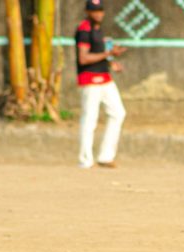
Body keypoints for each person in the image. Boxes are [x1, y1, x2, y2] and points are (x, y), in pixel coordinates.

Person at [75, 0, 127, 169]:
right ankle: (85, 160)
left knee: (118, 113)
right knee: (90, 119)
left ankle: (106, 156)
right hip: (89, 80)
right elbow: (83, 58)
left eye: (100, 10)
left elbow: (102, 54)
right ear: (87, 12)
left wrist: (112, 62)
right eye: (94, 10)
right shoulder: (84, 30)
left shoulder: (99, 30)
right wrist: (108, 53)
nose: (98, 14)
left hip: (105, 78)